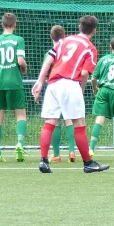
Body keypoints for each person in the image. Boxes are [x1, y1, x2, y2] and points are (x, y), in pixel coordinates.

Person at [32, 15, 109, 174]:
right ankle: (88, 163)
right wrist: (80, 90)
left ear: (79, 27)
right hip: (70, 84)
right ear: (94, 30)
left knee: (50, 121)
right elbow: (85, 72)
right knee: (79, 123)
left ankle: (44, 161)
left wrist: (39, 82)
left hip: (53, 84)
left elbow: (48, 60)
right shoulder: (90, 48)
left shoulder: (63, 41)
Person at [0, 13, 28, 162]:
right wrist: (24, 67)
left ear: (2, 24)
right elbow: (20, 61)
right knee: (20, 115)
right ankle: (20, 143)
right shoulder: (18, 40)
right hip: (15, 82)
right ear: (15, 25)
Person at [45, 25, 77, 164]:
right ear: (65, 36)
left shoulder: (50, 53)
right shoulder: (70, 52)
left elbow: (47, 70)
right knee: (69, 118)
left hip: (54, 87)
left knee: (54, 120)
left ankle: (57, 154)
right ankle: (72, 151)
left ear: (51, 37)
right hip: (69, 86)